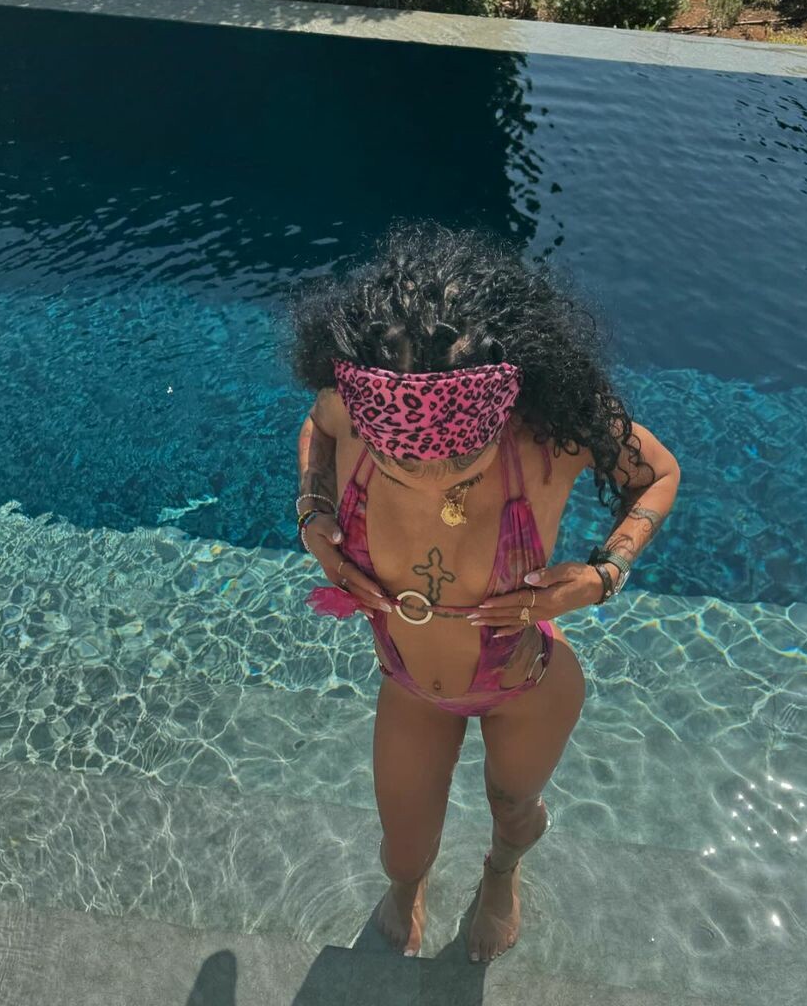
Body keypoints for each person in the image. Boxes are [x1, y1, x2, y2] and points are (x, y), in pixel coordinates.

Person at [287, 220, 680, 964]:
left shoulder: (555, 433)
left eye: (456, 464)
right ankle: (409, 886)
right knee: (402, 850)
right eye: (403, 464)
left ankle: (502, 872)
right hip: (410, 686)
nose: (430, 481)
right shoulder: (350, 410)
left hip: (526, 683)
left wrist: (602, 574)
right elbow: (318, 427)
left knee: (513, 810)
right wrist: (313, 512)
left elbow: (658, 475)